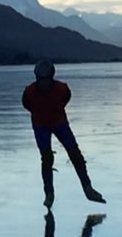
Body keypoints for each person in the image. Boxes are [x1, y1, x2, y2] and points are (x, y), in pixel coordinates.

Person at [22, 61, 105, 207]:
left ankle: (87, 188)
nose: (44, 83)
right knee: (47, 158)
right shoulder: (29, 91)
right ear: (37, 78)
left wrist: (53, 112)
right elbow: (26, 104)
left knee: (74, 152)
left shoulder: (62, 89)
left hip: (58, 122)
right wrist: (40, 114)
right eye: (41, 80)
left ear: (51, 78)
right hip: (40, 125)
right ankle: (49, 193)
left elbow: (65, 98)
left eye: (46, 80)